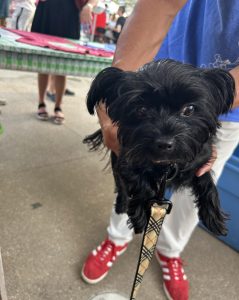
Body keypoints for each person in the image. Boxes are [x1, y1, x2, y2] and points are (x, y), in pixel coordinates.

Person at [81, 0, 239, 299]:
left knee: (204, 174)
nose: (165, 136)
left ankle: (170, 251)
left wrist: (202, 119)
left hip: (226, 102)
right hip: (153, 68)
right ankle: (118, 236)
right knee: (129, 178)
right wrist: (114, 108)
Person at [31, 0, 98, 124]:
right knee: (43, 61)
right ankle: (41, 103)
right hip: (47, 10)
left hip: (69, 12)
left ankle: (58, 106)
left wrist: (89, 6)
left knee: (62, 65)